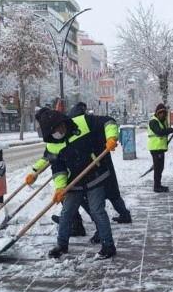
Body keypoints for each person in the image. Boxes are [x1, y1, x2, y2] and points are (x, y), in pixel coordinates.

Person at [29, 107, 119, 259]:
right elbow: (58, 169)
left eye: (60, 127)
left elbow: (108, 121)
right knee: (66, 213)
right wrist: (60, 188)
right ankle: (62, 245)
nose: (60, 131)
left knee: (98, 211)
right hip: (74, 181)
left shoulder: (82, 122)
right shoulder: (53, 144)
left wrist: (111, 137)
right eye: (55, 131)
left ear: (63, 121)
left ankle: (108, 246)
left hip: (94, 175)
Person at [148, 103, 173, 192]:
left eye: (164, 113)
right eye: (160, 113)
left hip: (160, 148)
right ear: (157, 113)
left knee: (160, 167)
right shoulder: (153, 121)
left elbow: (163, 132)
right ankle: (156, 187)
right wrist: (171, 130)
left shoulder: (160, 121)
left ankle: (158, 185)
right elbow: (159, 132)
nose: (162, 114)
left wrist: (171, 130)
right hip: (156, 148)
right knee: (158, 168)